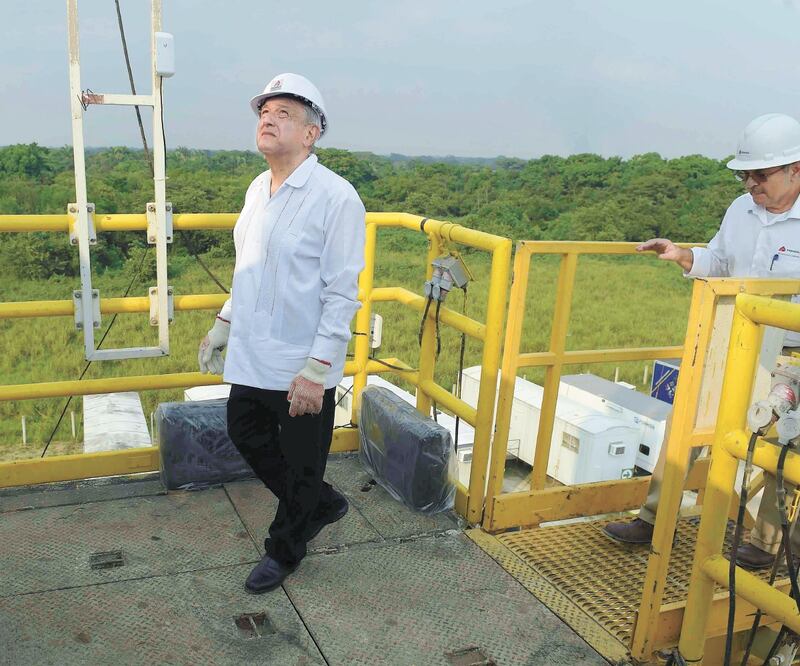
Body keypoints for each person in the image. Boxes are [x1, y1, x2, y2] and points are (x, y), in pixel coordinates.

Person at [604, 113, 800, 569]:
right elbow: (720, 258)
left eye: (761, 174)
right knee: (687, 422)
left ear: (796, 168)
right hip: (737, 339)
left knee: (780, 443)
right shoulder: (740, 209)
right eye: (745, 174)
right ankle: (654, 519)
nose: (751, 183)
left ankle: (766, 546)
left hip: (792, 352)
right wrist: (683, 255)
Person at [197, 73, 366, 593]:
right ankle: (322, 503)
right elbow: (249, 266)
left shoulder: (336, 198)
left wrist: (317, 371)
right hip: (253, 350)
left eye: (284, 113)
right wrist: (225, 321)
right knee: (245, 431)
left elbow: (342, 294)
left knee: (300, 460)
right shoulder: (256, 188)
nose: (268, 119)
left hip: (301, 359)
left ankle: (285, 548)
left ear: (312, 133)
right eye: (264, 112)